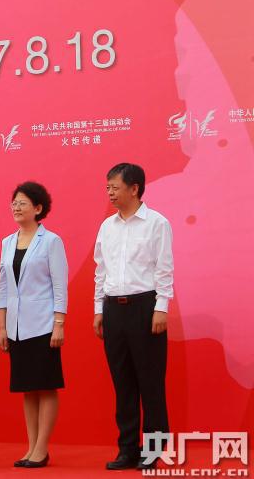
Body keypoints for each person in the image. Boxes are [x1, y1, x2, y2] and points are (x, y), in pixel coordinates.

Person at [93, 163, 173, 471]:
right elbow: (101, 271)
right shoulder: (107, 227)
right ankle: (126, 449)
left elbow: (164, 268)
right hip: (114, 308)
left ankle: (153, 450)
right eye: (108, 188)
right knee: (123, 383)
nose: (110, 193)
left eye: (115, 187)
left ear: (134, 188)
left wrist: (161, 307)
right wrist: (99, 309)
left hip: (145, 307)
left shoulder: (156, 223)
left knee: (150, 383)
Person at [0, 182, 67, 469]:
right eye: (14, 202)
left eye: (22, 203)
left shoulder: (51, 241)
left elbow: (59, 286)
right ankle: (31, 447)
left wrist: (59, 323)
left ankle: (42, 448)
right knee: (27, 388)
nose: (16, 207)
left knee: (45, 386)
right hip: (16, 326)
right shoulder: (7, 242)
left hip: (43, 324)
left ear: (38, 208)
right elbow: (3, 287)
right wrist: (2, 327)